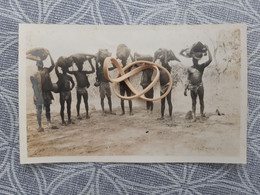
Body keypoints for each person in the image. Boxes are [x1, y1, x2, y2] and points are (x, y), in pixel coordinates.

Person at [180, 42, 212, 122]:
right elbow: (188, 79)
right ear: (192, 60)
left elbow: (210, 60)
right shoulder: (190, 68)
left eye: (196, 60)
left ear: (198, 60)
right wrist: (185, 89)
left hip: (200, 86)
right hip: (192, 87)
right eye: (194, 60)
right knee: (193, 102)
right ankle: (194, 117)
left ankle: (201, 116)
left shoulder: (201, 67)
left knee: (201, 101)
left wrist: (208, 49)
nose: (195, 61)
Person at [31, 51, 56, 132]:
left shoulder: (46, 70)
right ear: (36, 64)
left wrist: (50, 55)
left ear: (42, 64)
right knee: (39, 110)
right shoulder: (34, 74)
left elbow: (53, 65)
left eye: (41, 63)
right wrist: (35, 95)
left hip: (46, 93)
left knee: (48, 109)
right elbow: (34, 86)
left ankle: (49, 123)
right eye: (38, 63)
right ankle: (40, 126)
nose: (40, 64)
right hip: (38, 93)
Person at [154, 49, 180, 120]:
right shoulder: (159, 68)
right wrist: (155, 58)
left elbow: (165, 61)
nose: (162, 62)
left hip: (168, 85)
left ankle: (170, 116)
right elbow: (153, 65)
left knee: (169, 101)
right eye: (161, 61)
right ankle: (162, 116)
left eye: (163, 61)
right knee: (162, 102)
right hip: (162, 87)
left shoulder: (168, 68)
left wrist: (165, 52)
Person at [95, 49, 116, 115]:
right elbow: (96, 65)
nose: (103, 62)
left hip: (107, 83)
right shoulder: (99, 68)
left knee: (109, 97)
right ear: (100, 62)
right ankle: (103, 111)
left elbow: (114, 67)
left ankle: (110, 111)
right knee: (102, 98)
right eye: (102, 62)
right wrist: (96, 58)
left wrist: (112, 60)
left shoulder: (106, 67)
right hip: (102, 84)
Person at [55, 57, 75, 125]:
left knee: (68, 107)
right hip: (62, 92)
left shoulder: (69, 77)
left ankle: (69, 119)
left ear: (67, 69)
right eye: (63, 69)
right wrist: (57, 64)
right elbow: (56, 70)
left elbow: (73, 83)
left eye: (65, 69)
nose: (64, 70)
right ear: (62, 69)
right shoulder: (60, 76)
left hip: (68, 92)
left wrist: (71, 88)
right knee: (62, 107)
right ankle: (63, 121)